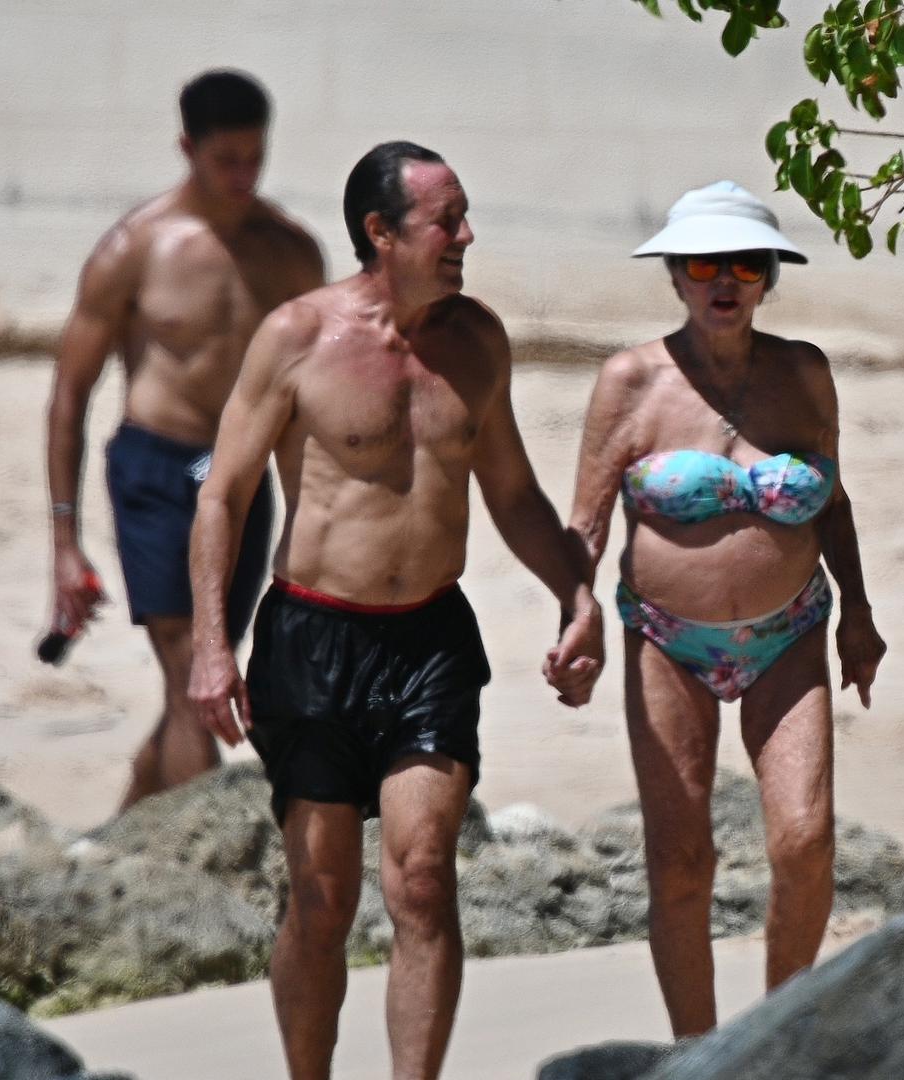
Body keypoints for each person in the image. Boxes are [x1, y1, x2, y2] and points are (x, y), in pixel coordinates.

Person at [186, 141, 604, 1080]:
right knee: (323, 899)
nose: (466, 236)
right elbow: (224, 495)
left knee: (421, 879)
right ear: (380, 232)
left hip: (428, 641)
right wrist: (213, 646)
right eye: (445, 221)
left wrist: (575, 596)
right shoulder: (297, 337)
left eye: (464, 216)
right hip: (311, 640)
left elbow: (513, 494)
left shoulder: (477, 342)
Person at [565, 181, 887, 1037]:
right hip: (667, 643)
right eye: (704, 265)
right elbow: (585, 524)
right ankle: (697, 1055)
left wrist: (859, 613)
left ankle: (780, 1036)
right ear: (675, 274)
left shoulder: (803, 373)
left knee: (804, 839)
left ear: (768, 277)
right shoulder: (631, 381)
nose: (725, 281)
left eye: (746, 265)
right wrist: (576, 616)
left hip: (792, 632)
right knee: (680, 861)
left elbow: (834, 504)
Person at [44, 69, 325, 811]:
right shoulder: (135, 249)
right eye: (225, 160)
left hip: (239, 473)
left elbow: (313, 392)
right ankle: (198, 856)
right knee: (187, 666)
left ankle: (125, 827)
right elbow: (70, 395)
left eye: (254, 158)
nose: (242, 176)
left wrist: (314, 513)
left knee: (206, 666)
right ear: (187, 149)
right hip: (156, 467)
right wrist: (66, 542)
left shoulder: (291, 252)